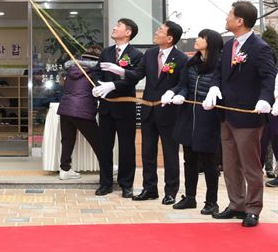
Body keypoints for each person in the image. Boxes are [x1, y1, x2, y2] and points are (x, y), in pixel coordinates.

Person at [204, 1, 276, 227]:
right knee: (230, 163)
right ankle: (236, 204)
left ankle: (253, 208)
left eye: (229, 15)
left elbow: (268, 77)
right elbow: (218, 72)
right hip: (226, 115)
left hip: (248, 116)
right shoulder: (228, 46)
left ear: (240, 21)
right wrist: (214, 87)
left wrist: (265, 98)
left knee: (250, 166)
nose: (226, 19)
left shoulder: (260, 47)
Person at [164, 28, 223, 214]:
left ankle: (211, 201)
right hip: (188, 116)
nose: (197, 40)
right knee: (188, 159)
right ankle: (190, 197)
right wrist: (176, 94)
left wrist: (213, 99)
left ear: (211, 42)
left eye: (201, 37)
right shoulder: (191, 63)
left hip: (208, 117)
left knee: (208, 162)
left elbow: (221, 89)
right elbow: (183, 86)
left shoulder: (219, 64)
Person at [131, 20, 187, 205]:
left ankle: (170, 191)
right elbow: (137, 74)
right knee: (147, 152)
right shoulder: (150, 53)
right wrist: (119, 75)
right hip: (148, 110)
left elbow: (182, 84)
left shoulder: (181, 59)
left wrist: (173, 93)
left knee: (170, 154)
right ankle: (149, 188)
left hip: (169, 112)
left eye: (160, 30)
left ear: (169, 38)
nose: (156, 32)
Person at [91, 18, 143, 198]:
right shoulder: (106, 52)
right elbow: (97, 72)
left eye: (118, 26)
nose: (114, 28)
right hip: (105, 107)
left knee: (127, 147)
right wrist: (98, 86)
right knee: (105, 146)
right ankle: (105, 183)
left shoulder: (136, 54)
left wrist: (113, 85)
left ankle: (126, 184)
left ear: (128, 32)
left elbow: (134, 77)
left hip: (125, 106)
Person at [56, 46, 102, 181]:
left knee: (67, 140)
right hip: (83, 109)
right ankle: (107, 167)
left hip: (65, 108)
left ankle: (64, 169)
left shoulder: (71, 69)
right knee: (98, 141)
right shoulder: (95, 70)